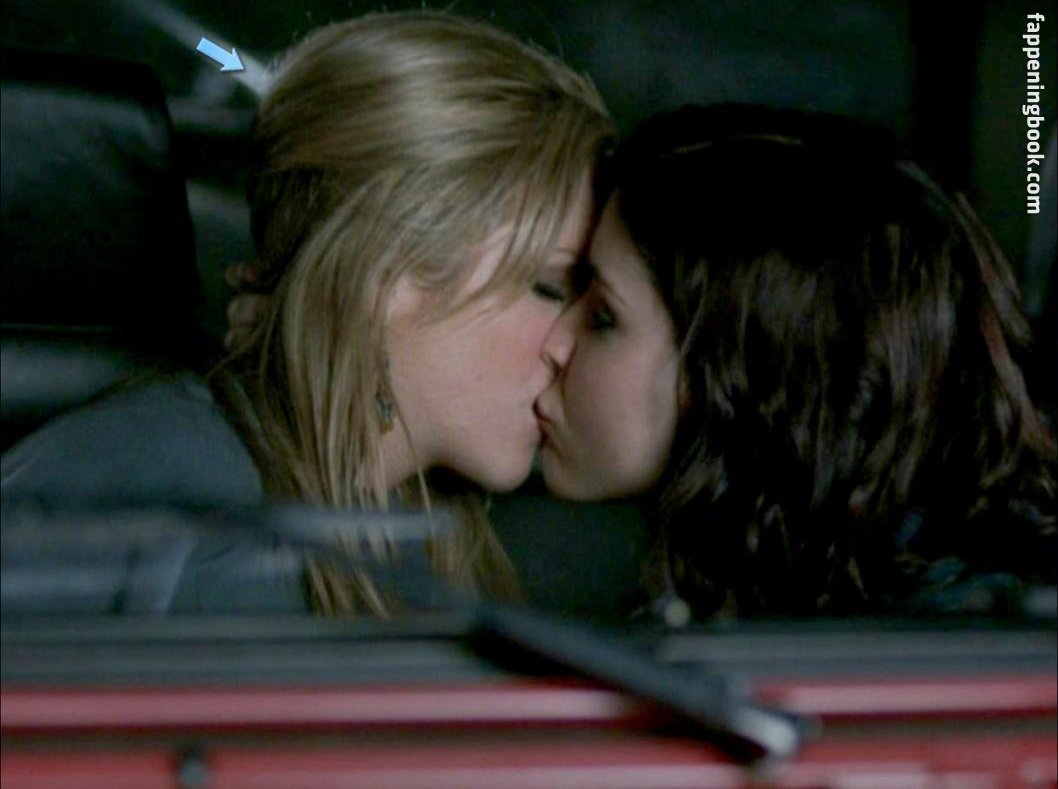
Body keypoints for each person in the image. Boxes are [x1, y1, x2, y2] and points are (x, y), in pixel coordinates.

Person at [1, 11, 615, 615]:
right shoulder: (194, 530)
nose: (570, 345)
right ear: (388, 272)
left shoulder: (408, 531)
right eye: (550, 288)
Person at [536, 104, 1056, 620]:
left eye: (602, 316)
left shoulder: (950, 635)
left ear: (739, 366)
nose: (554, 342)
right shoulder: (798, 594)